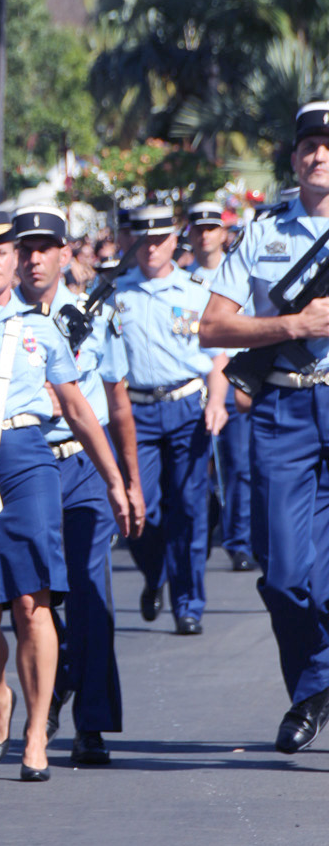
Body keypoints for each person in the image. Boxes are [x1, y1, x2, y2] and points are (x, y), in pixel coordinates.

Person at [0, 213, 129, 781]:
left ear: (17, 260)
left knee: (32, 603)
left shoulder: (41, 328)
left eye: (3, 252)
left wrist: (113, 477)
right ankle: (0, 698)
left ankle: (38, 731)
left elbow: (75, 407)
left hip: (27, 460)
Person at [200, 103, 329, 753]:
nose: (320, 156)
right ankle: (315, 683)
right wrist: (293, 326)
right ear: (294, 158)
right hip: (284, 409)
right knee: (284, 579)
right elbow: (214, 327)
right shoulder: (262, 234)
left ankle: (311, 694)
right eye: (309, 145)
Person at [13, 205, 145, 767]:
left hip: (82, 467)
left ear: (67, 253)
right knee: (30, 599)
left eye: (46, 247)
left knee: (91, 595)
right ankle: (55, 677)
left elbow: (115, 403)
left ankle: (91, 724)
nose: (35, 257)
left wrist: (128, 482)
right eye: (25, 248)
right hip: (21, 470)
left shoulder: (94, 314)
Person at [110, 203, 228, 634]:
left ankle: (187, 603)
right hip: (134, 412)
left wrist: (217, 401)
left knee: (189, 507)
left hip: (184, 407)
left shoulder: (196, 291)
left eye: (158, 239)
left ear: (174, 241)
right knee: (141, 511)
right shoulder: (116, 294)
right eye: (141, 240)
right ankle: (154, 571)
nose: (150, 248)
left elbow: (218, 359)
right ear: (130, 242)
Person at [187, 200, 255, 572]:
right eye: (198, 229)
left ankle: (238, 540)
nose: (205, 235)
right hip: (194, 383)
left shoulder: (240, 273)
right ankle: (201, 532)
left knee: (238, 464)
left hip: (234, 380)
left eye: (212, 228)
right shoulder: (183, 280)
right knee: (196, 472)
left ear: (223, 233)